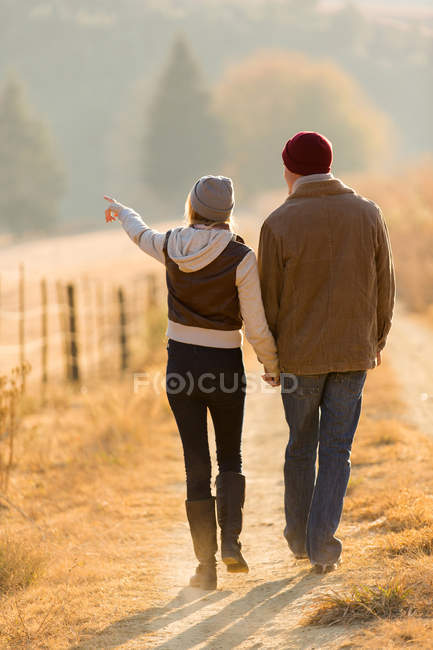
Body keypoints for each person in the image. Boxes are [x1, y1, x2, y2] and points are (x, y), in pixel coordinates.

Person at [104, 175, 279, 590]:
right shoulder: (241, 256)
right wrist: (271, 364)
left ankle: (206, 568)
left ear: (193, 207)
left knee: (195, 466)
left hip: (181, 364)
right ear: (227, 213)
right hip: (224, 365)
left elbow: (139, 234)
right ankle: (232, 544)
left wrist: (123, 211)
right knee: (230, 458)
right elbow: (255, 325)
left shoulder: (170, 245)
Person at [258, 131, 395, 574]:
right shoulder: (368, 213)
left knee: (301, 445)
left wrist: (271, 359)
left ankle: (299, 538)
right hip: (354, 351)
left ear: (290, 169)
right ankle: (322, 545)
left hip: (299, 357)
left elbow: (268, 300)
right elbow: (385, 285)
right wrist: (375, 340)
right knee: (337, 449)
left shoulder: (277, 224)